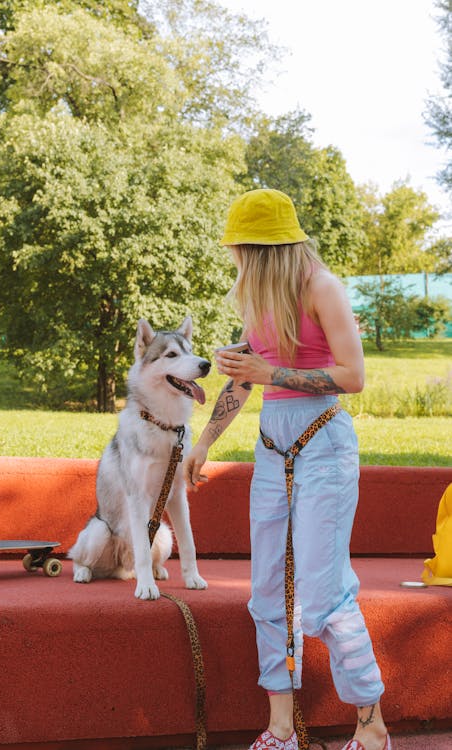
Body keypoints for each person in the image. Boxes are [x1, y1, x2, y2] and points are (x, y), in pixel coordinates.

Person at [183, 189, 390, 750]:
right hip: (273, 452)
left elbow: (352, 377)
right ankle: (280, 730)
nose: (235, 261)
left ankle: (371, 727)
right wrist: (204, 441)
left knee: (323, 595)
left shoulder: (322, 288)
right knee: (268, 594)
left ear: (262, 249)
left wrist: (267, 370)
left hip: (323, 447)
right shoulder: (259, 297)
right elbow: (246, 380)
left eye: (240, 250)